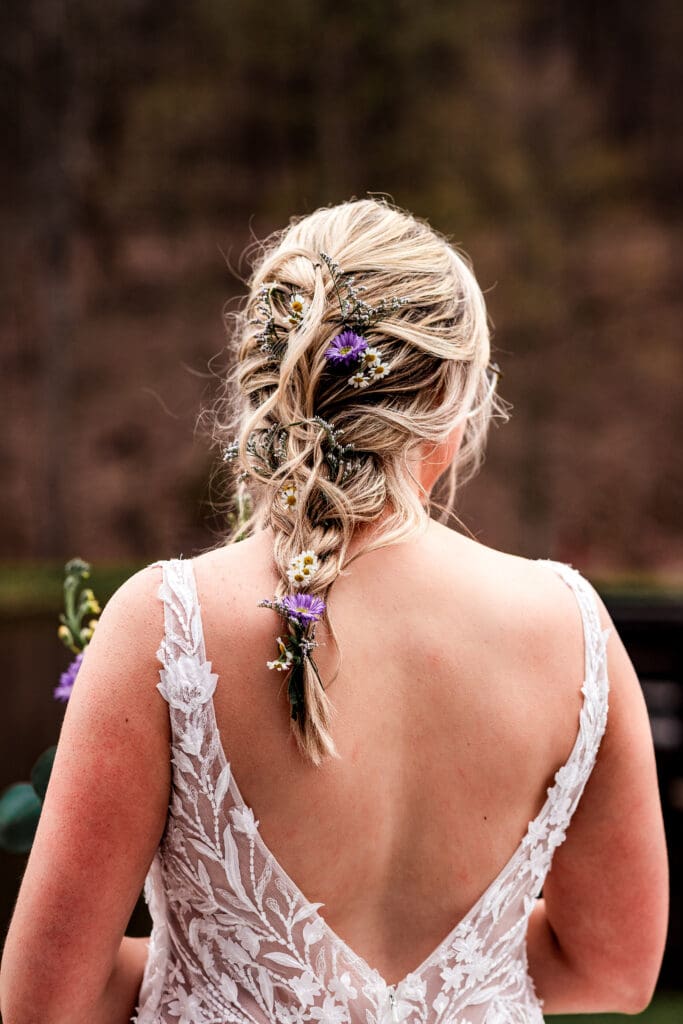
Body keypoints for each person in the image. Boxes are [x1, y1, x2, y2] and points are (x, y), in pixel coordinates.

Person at [0, 198, 668, 1023]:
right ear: (451, 416)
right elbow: (613, 970)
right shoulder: (573, 629)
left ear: (265, 390)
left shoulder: (166, 624)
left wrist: (224, 977)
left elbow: (44, 1006)